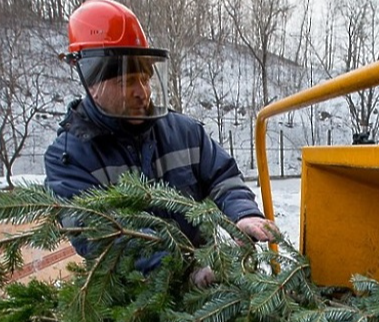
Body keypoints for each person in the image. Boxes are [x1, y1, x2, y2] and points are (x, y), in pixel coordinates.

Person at [43, 0, 278, 286]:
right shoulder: (69, 158)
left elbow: (224, 178)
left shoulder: (185, 132)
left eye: (145, 79)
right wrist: (182, 272)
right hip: (132, 302)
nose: (142, 92)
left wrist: (242, 214)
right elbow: (100, 238)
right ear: (92, 81)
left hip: (204, 283)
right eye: (128, 81)